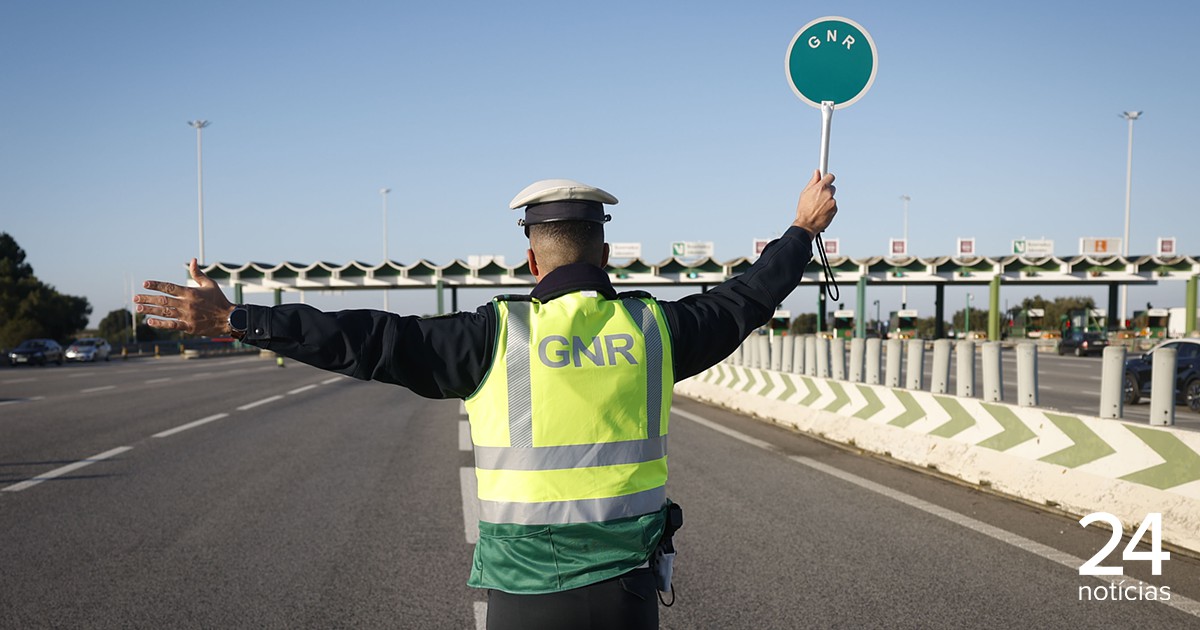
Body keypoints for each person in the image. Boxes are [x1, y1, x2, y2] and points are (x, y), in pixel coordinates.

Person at [136, 170, 837, 629]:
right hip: (627, 594)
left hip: (524, 598)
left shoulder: (495, 337)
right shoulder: (656, 330)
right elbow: (745, 299)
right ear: (607, 253)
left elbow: (367, 339)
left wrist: (238, 319)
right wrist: (802, 230)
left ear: (532, 259)